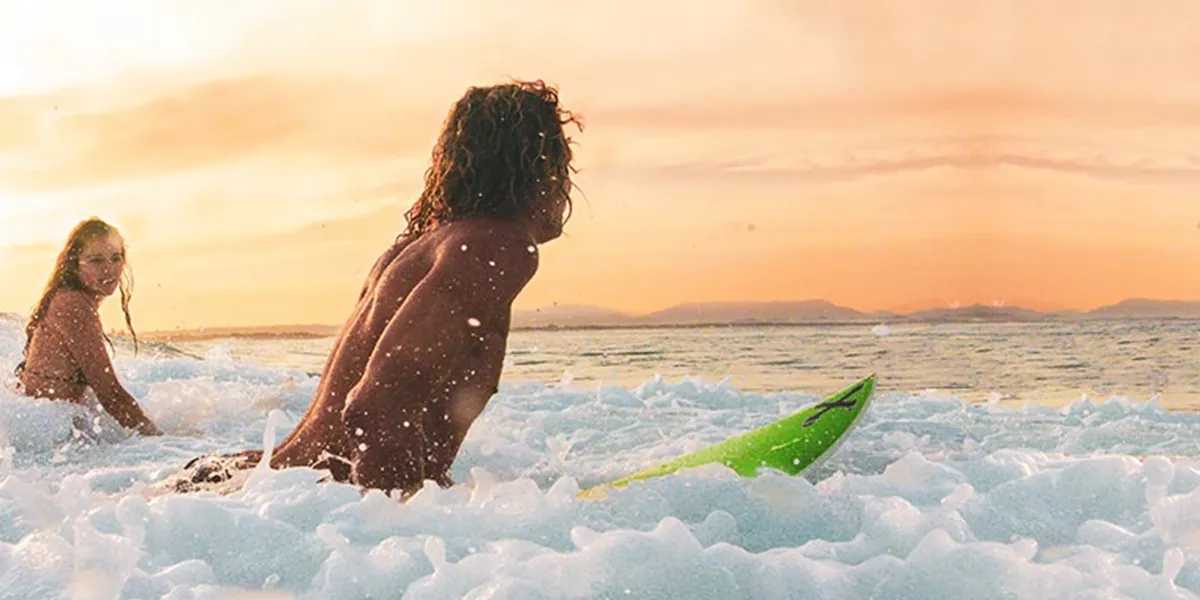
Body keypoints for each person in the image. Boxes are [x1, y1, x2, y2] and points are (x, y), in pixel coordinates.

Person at [173, 79, 582, 497]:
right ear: (534, 166)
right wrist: (399, 533)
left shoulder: (416, 250)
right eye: (560, 156)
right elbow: (376, 407)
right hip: (311, 503)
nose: (565, 180)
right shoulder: (496, 247)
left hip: (266, 486)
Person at [15, 218, 163, 437]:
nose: (109, 269)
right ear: (74, 265)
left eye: (116, 258)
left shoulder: (72, 300)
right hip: (48, 434)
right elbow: (109, 393)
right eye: (96, 260)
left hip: (50, 427)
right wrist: (161, 441)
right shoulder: (72, 305)